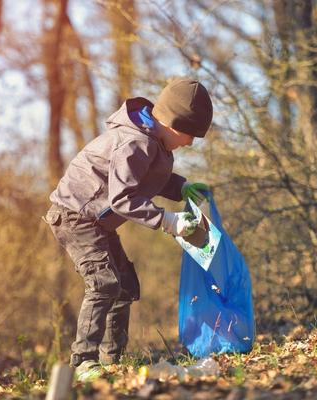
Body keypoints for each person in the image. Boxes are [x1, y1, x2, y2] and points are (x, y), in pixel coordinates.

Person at [44, 77, 213, 381]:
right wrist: (168, 221)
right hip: (74, 216)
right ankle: (83, 360)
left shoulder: (155, 142)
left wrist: (182, 187)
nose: (190, 143)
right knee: (104, 283)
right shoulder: (136, 141)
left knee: (125, 287)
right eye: (190, 136)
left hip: (97, 221)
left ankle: (111, 361)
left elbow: (152, 177)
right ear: (174, 123)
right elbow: (122, 198)